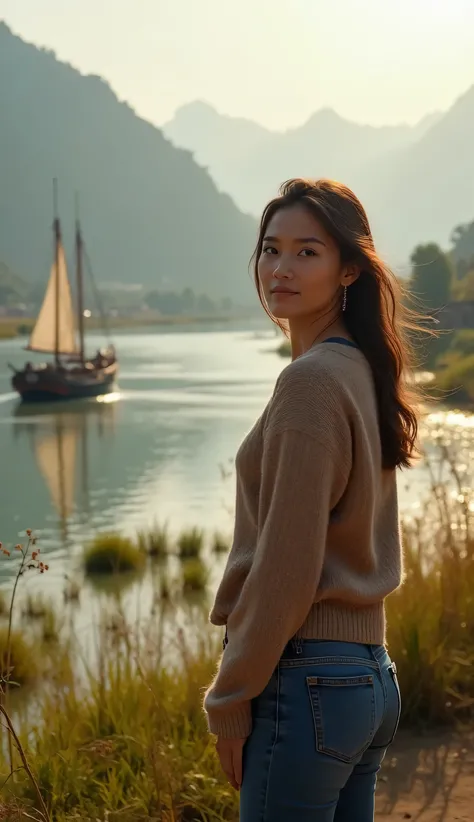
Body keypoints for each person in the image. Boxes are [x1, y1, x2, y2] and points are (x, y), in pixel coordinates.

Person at [204, 178, 420, 821]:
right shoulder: (360, 370)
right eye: (271, 249)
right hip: (366, 680)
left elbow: (287, 563)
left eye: (307, 252)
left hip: (307, 682)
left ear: (349, 268)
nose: (281, 268)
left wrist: (230, 697)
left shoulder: (311, 382)